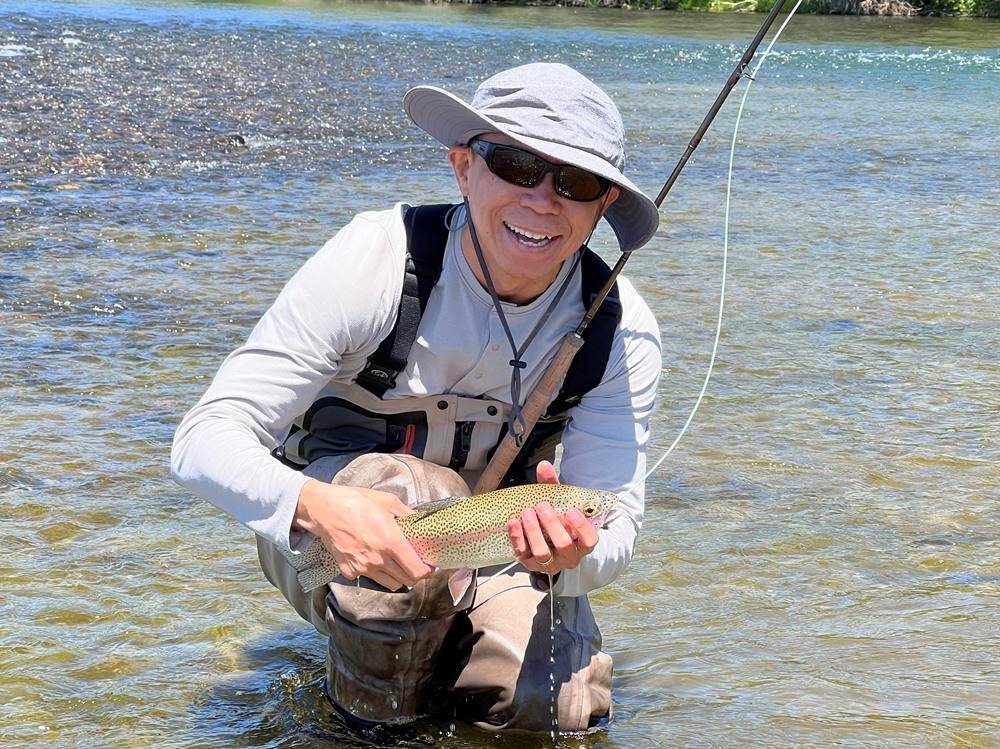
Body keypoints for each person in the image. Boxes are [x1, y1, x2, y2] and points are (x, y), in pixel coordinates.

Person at [171, 62, 661, 734]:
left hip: (490, 549)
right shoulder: (374, 261)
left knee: (560, 705)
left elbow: (618, 522)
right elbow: (201, 441)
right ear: (464, 168)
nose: (542, 201)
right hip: (329, 537)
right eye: (516, 165)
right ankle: (364, 723)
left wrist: (574, 556)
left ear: (603, 203)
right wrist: (316, 506)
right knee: (402, 489)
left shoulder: (619, 324)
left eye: (573, 182)